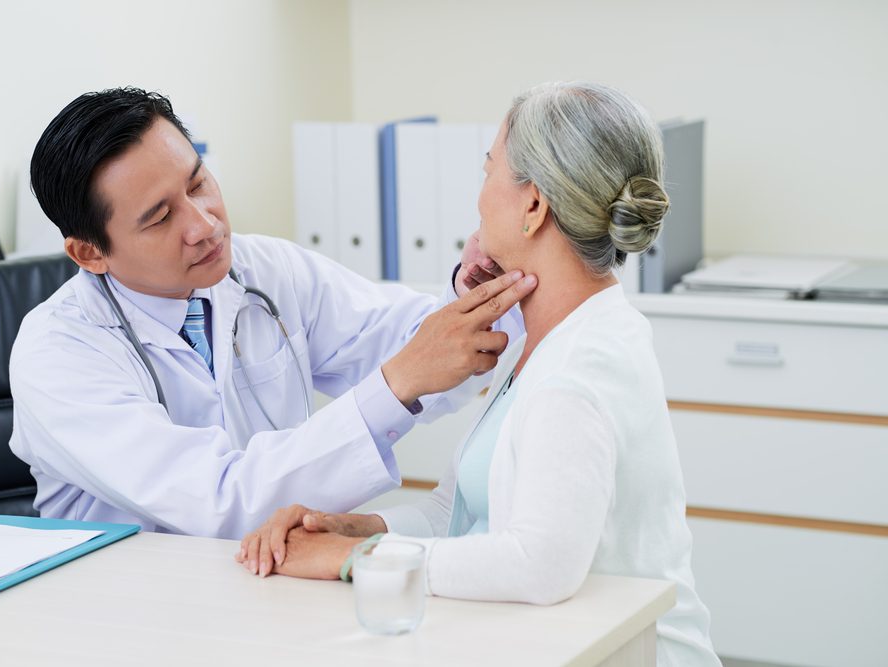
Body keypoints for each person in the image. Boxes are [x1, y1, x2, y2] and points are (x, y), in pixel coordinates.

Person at [238, 82, 721, 666]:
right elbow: (457, 514)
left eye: (489, 170)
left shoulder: (578, 370)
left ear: (534, 206)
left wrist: (353, 560)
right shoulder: (551, 338)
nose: (479, 196)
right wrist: (344, 529)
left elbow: (540, 564)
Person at [9, 87, 535, 540]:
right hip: (124, 608)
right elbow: (218, 503)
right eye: (162, 217)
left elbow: (412, 346)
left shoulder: (265, 270)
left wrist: (475, 294)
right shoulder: (58, 354)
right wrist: (397, 382)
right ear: (90, 253)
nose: (204, 224)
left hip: (272, 575)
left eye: (197, 183)